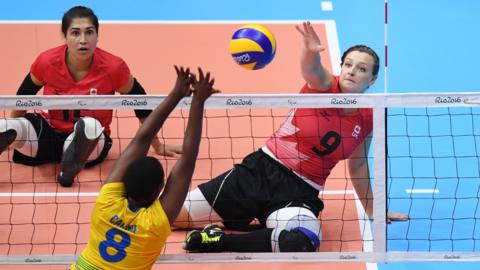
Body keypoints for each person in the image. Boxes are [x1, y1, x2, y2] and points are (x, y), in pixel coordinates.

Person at [178, 21, 408, 253]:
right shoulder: (324, 86)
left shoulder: (370, 115)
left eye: (361, 68)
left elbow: (358, 164)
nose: (352, 71)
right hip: (259, 173)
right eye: (348, 64)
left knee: (302, 241)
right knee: (173, 216)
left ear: (372, 80)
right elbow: (312, 69)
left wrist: (372, 209)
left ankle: (218, 240)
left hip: (300, 193)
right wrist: (309, 51)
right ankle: (257, 227)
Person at [0, 6, 181, 187]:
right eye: (75, 33)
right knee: (4, 126)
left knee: (90, 126)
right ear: (64, 36)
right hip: (46, 135)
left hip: (91, 145)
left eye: (89, 32)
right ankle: (61, 157)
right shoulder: (47, 62)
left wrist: (157, 145)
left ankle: (70, 168)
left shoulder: (113, 67)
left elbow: (141, 103)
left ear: (97, 36)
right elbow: (23, 96)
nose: (83, 40)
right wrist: (15, 135)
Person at [70, 65, 218, 269]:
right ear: (159, 190)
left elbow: (143, 138)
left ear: (124, 182)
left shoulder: (107, 202)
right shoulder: (154, 223)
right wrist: (198, 101)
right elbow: (187, 159)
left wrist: (175, 94)